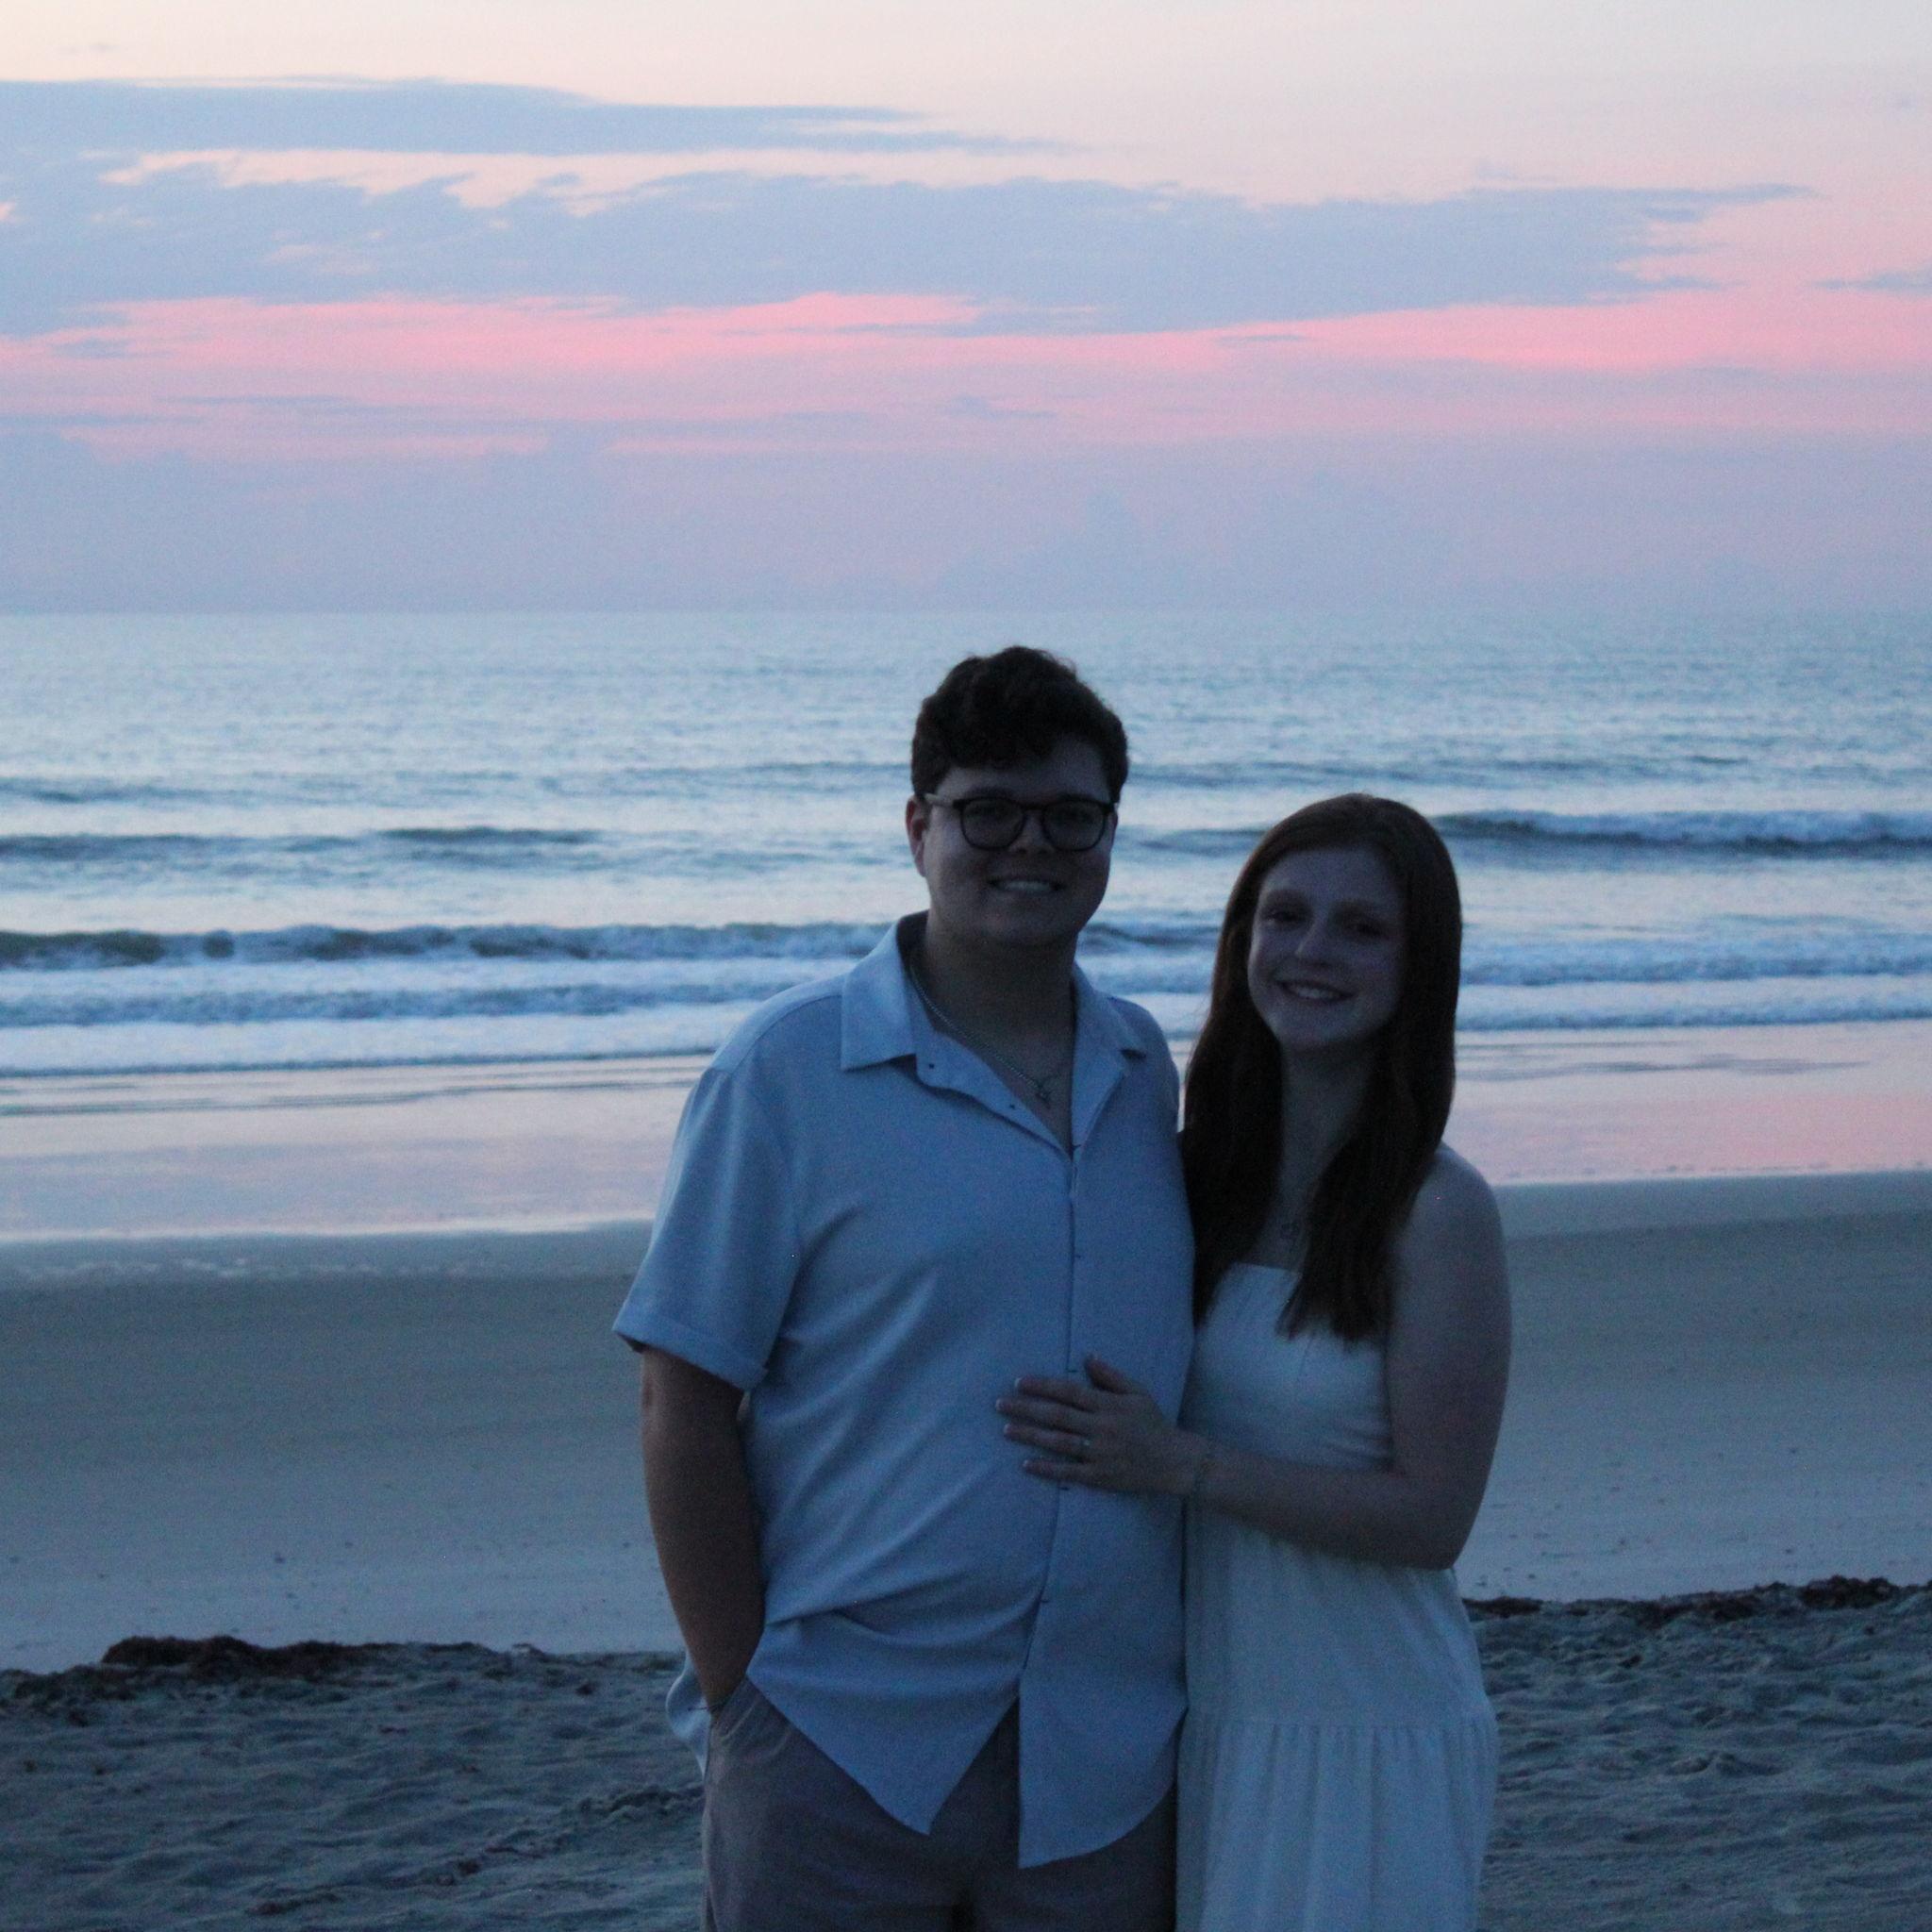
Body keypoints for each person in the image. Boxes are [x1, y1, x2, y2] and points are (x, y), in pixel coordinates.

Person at [615, 646, 1195, 1930]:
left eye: (1070, 815)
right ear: (918, 825)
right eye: (987, 812)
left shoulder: (1140, 1068)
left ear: (1109, 835)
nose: (1028, 845)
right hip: (842, 1745)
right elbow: (680, 1398)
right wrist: (741, 1697)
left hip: (1101, 1764)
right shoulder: (788, 1070)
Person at [997, 793, 1510, 1931]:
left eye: (1361, 928)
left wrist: (1179, 1462)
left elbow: (1433, 1517)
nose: (1311, 950)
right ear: (1241, 940)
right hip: (1195, 1717)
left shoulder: (1436, 1210)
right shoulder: (1182, 1177)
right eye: (1284, 916)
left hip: (1365, 1719)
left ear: (1417, 964)